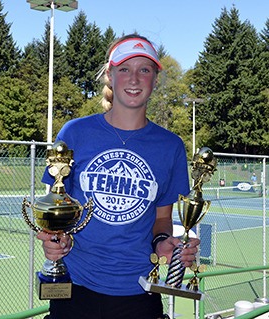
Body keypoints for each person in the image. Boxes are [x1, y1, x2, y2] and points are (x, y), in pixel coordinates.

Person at [37, 34, 200, 319]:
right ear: (110, 76)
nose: (134, 79)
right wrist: (54, 238)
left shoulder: (170, 146)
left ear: (155, 79)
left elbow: (162, 219)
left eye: (144, 70)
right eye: (124, 69)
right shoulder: (74, 133)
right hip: (76, 288)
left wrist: (164, 242)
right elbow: (56, 205)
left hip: (139, 293)